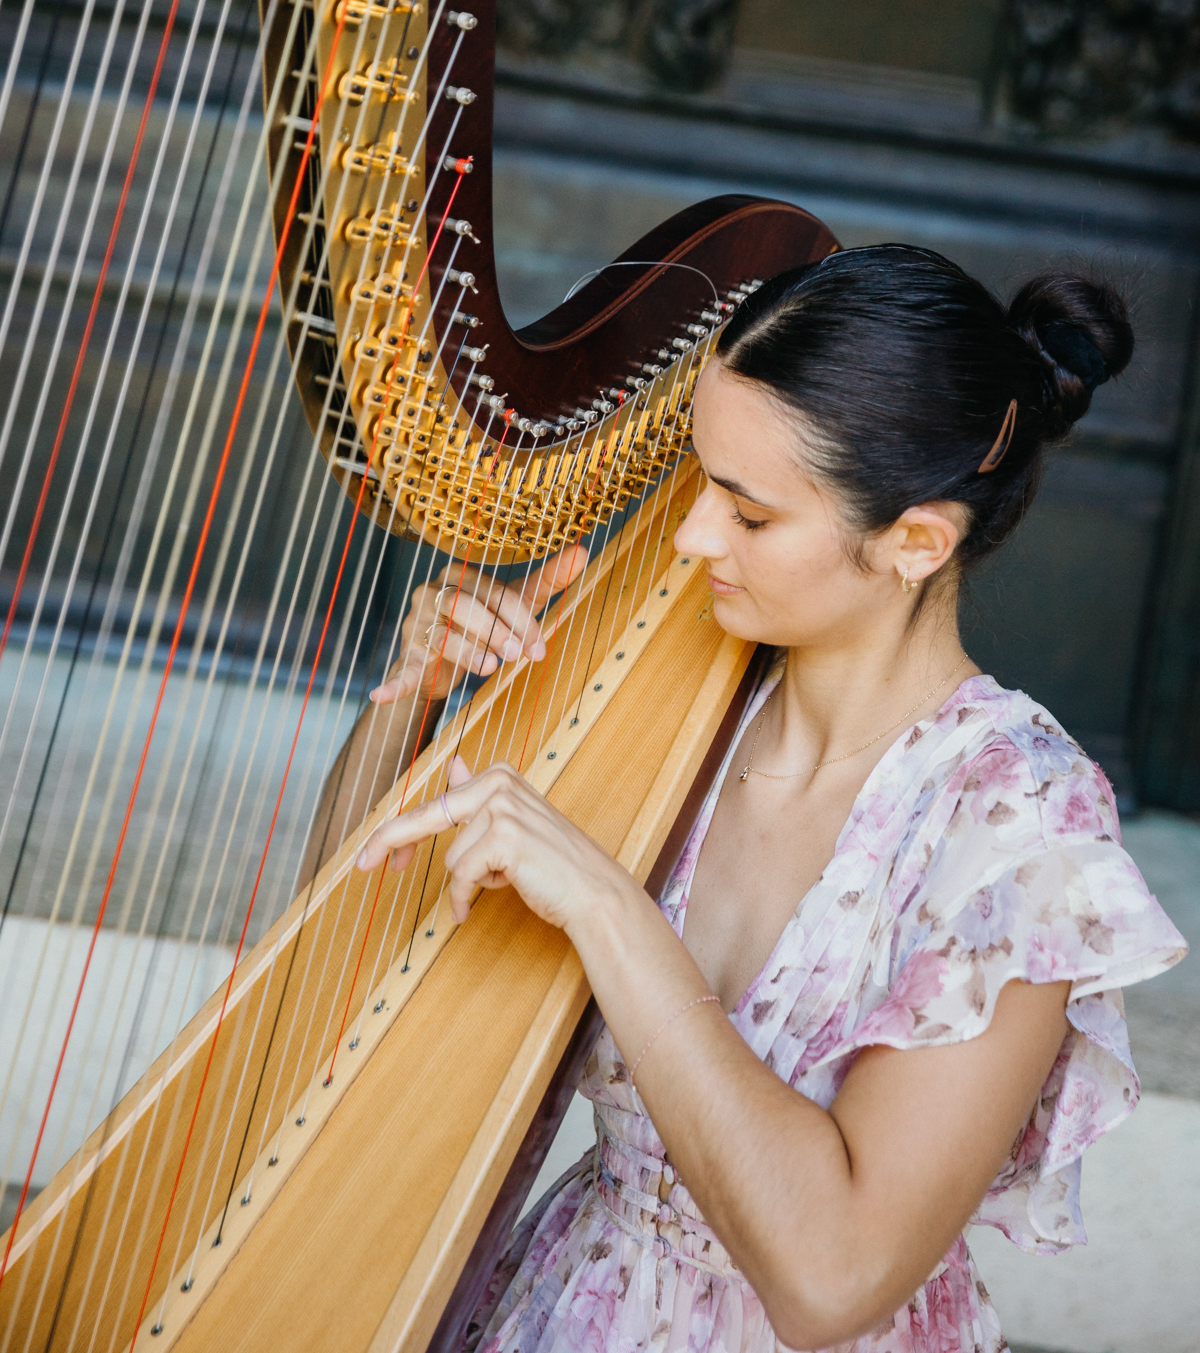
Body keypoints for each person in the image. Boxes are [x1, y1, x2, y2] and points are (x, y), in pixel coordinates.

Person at [334, 244, 1187, 1353]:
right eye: (699, 482)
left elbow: (831, 1278)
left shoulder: (1019, 827)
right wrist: (411, 706)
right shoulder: (669, 684)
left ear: (915, 542)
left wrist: (612, 913)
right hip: (561, 1308)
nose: (691, 539)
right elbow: (359, 944)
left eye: (748, 514)